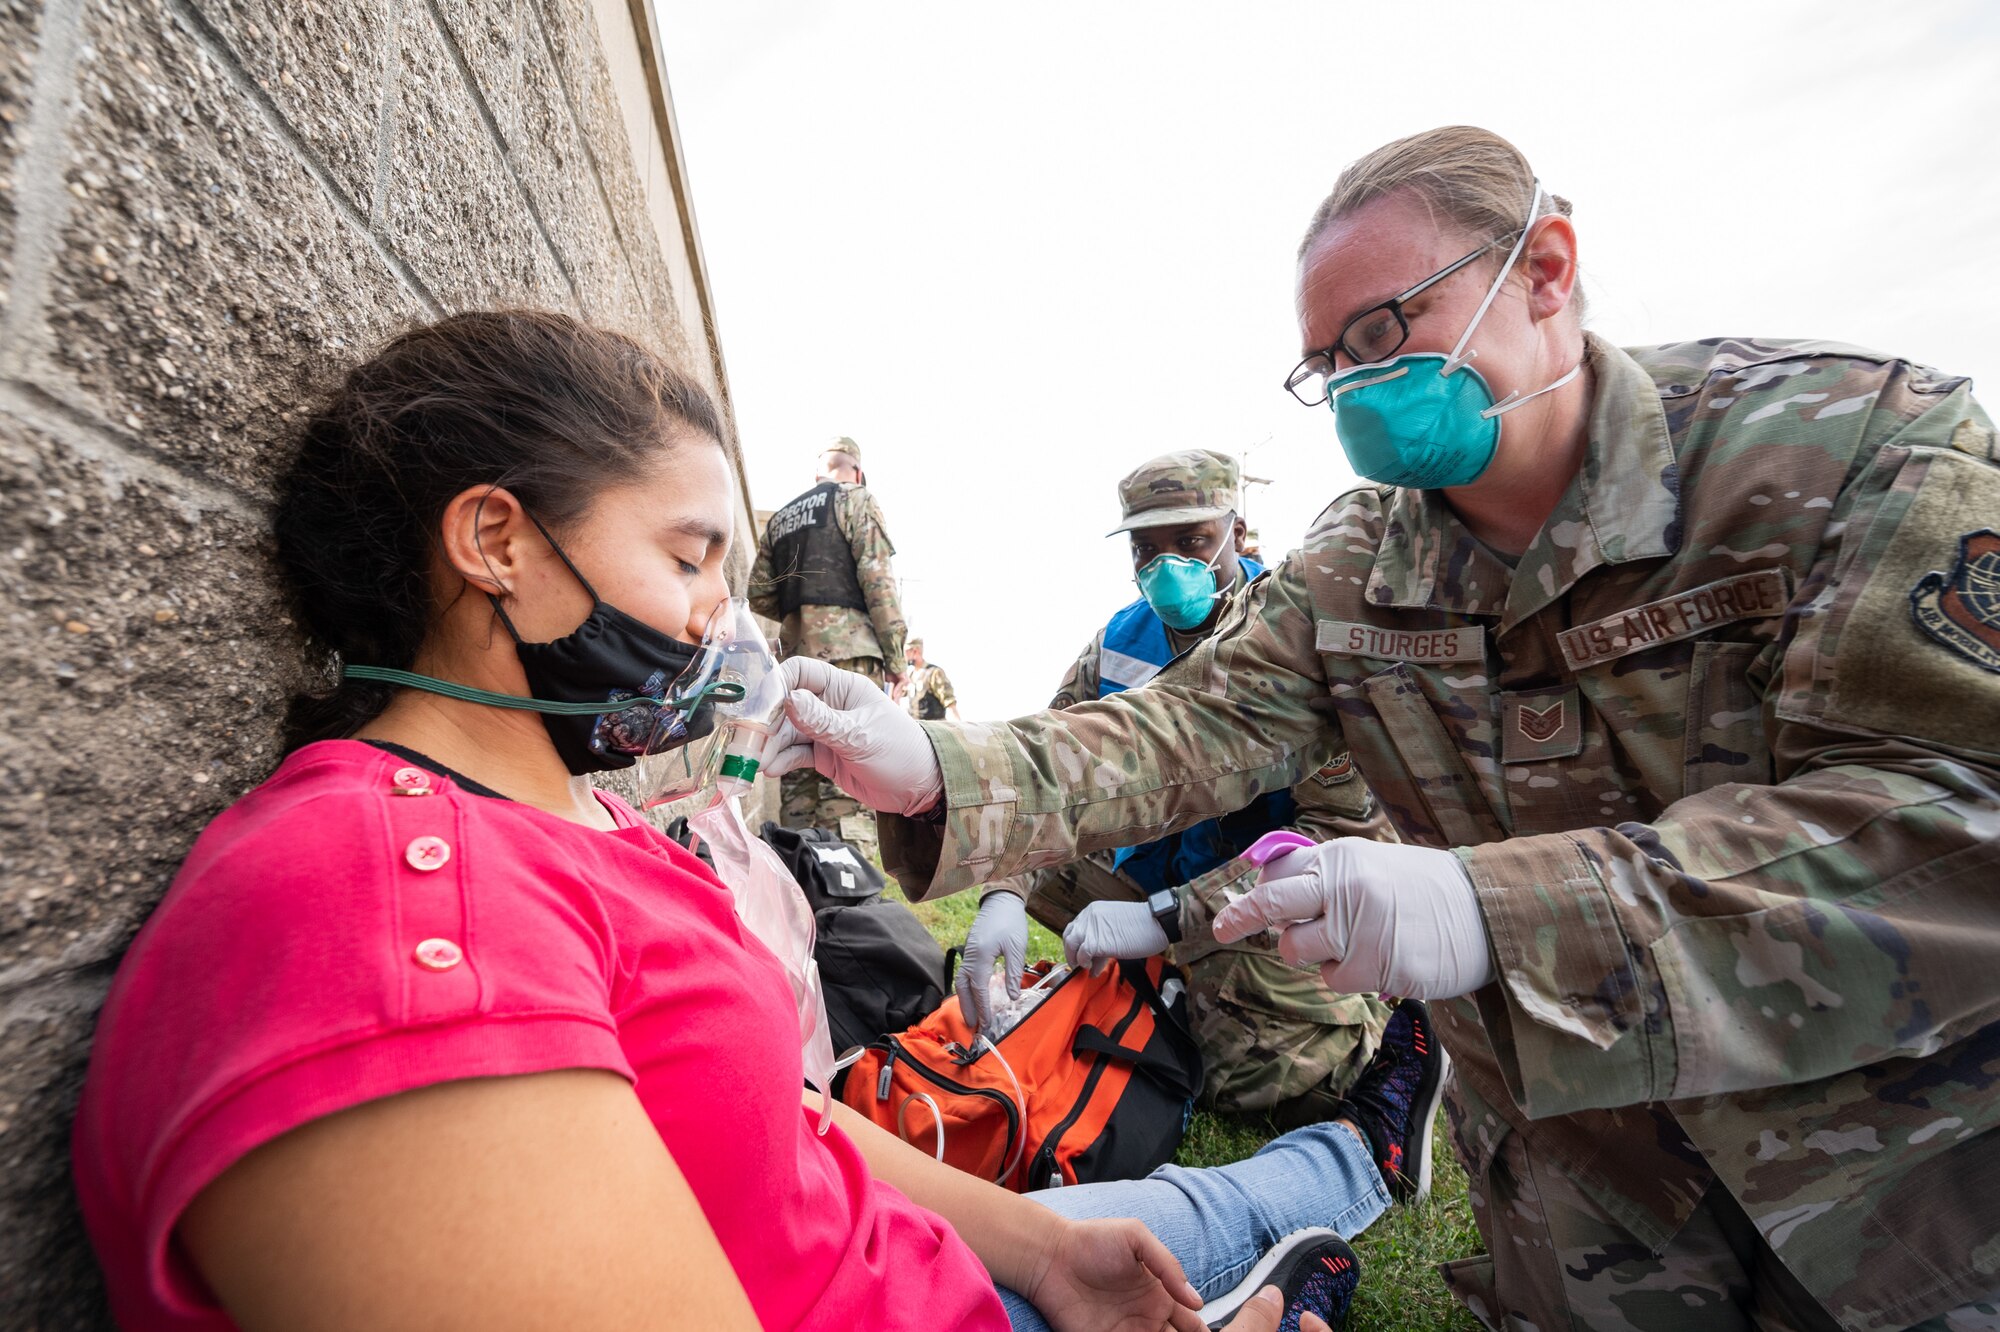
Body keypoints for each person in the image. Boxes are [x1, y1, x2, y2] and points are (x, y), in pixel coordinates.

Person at [769, 125, 2000, 1331]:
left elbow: (1957, 821)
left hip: (1884, 1173)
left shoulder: (1845, 453)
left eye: (1380, 330)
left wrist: (1492, 913)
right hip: (1590, 1191)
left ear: (1544, 267)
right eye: (1327, 362)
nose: (1357, 382)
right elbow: (1179, 733)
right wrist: (932, 765)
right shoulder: (1363, 559)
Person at [70, 310, 1439, 1332]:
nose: (723, 622)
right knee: (1226, 1229)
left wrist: (1028, 1248)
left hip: (946, 1252)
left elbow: (765, 1120)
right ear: (496, 544)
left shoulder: (558, 829)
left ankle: (1350, 1156)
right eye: (687, 558)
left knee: (1200, 1207)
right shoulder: (383, 910)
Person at [957, 450, 1398, 1131]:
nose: (1167, 566)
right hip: (1149, 877)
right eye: (1146, 548)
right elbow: (1046, 772)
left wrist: (1168, 918)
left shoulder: (1298, 631)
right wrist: (1001, 894)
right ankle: (1162, 982)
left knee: (1276, 1086)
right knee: (1032, 865)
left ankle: (1380, 1017)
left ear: (1237, 532)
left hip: (1263, 897)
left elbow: (1339, 835)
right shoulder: (1119, 641)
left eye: (1191, 541)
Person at [749, 437, 906, 854]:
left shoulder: (782, 518)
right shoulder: (857, 499)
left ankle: (798, 875)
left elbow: (759, 594)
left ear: (818, 473)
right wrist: (896, 661)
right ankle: (845, 883)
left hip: (794, 665)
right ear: (856, 471)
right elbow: (879, 585)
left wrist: (801, 615)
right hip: (850, 662)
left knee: (798, 771)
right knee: (850, 773)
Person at [900, 637, 962, 721]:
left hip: (934, 728)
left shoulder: (934, 673)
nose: (904, 657)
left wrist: (958, 726)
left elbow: (949, 701)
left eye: (906, 652)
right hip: (918, 726)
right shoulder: (911, 675)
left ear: (915, 651)